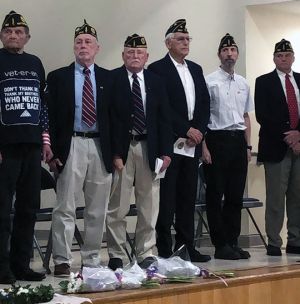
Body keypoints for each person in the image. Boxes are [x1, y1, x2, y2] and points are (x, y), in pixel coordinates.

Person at [47, 20, 113, 276]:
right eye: (79, 42)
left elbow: (116, 119)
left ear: (97, 48)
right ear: (73, 47)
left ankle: (92, 259)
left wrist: (116, 153)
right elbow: (50, 118)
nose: (83, 46)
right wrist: (52, 151)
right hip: (70, 144)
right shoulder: (58, 77)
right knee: (65, 205)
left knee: (97, 208)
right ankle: (62, 260)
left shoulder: (109, 78)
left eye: (88, 42)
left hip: (99, 145)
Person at [106, 33, 173, 270]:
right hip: (123, 150)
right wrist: (114, 153)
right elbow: (110, 120)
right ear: (123, 55)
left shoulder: (156, 81)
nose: (135, 56)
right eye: (130, 52)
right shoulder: (113, 79)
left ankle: (145, 250)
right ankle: (117, 252)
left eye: (139, 53)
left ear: (147, 56)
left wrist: (166, 152)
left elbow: (165, 119)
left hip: (149, 148)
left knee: (149, 204)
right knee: (118, 204)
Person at [148, 19, 211, 262]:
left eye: (187, 39)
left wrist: (200, 130)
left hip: (193, 144)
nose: (185, 43)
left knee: (187, 196)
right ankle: (165, 248)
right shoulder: (157, 69)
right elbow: (162, 108)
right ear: (168, 43)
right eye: (180, 39)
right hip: (170, 143)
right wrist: (186, 129)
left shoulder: (195, 68)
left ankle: (186, 247)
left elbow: (205, 103)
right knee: (167, 198)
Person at [0, 10, 52, 284]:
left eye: (19, 32)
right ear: (1, 36)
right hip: (5, 148)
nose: (13, 35)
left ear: (27, 37)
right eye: (8, 31)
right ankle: (2, 267)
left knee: (28, 208)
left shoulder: (35, 63)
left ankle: (22, 265)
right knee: (2, 211)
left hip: (32, 146)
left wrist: (45, 140)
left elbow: (42, 105)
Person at [202, 33, 253, 260]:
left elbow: (246, 116)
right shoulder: (209, 80)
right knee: (215, 194)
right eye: (225, 50)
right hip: (216, 140)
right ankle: (220, 244)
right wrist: (204, 147)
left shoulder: (243, 82)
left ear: (237, 54)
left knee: (235, 196)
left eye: (232, 50)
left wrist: (248, 146)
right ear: (219, 55)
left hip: (238, 142)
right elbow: (202, 117)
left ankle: (233, 241)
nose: (229, 54)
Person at [255, 39, 300, 256]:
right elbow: (264, 115)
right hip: (276, 146)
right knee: (275, 197)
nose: (284, 59)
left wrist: (298, 134)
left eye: (287, 55)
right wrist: (289, 136)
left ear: (293, 57)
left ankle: (295, 240)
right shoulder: (264, 82)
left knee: (297, 197)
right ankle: (274, 242)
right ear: (274, 59)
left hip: (299, 146)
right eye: (279, 56)